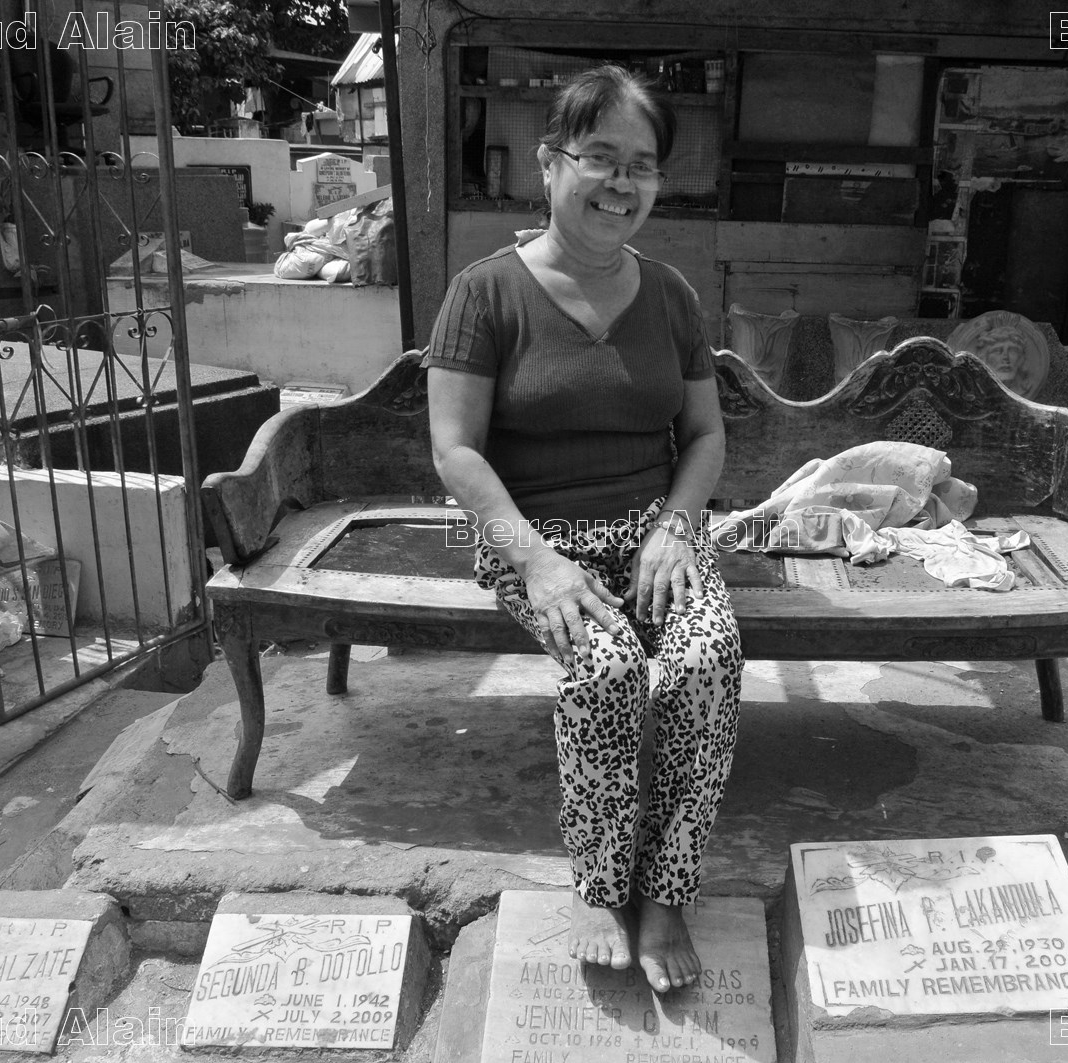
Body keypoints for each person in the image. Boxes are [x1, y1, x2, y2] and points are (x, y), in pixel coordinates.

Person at [423, 65, 743, 994]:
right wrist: (544, 564)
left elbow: (707, 434)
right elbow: (456, 452)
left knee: (703, 659)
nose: (620, 183)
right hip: (538, 537)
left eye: (641, 164)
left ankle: (668, 887)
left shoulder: (672, 297)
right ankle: (600, 884)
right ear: (548, 162)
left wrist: (678, 529)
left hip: (656, 532)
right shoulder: (485, 293)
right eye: (599, 156)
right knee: (604, 670)